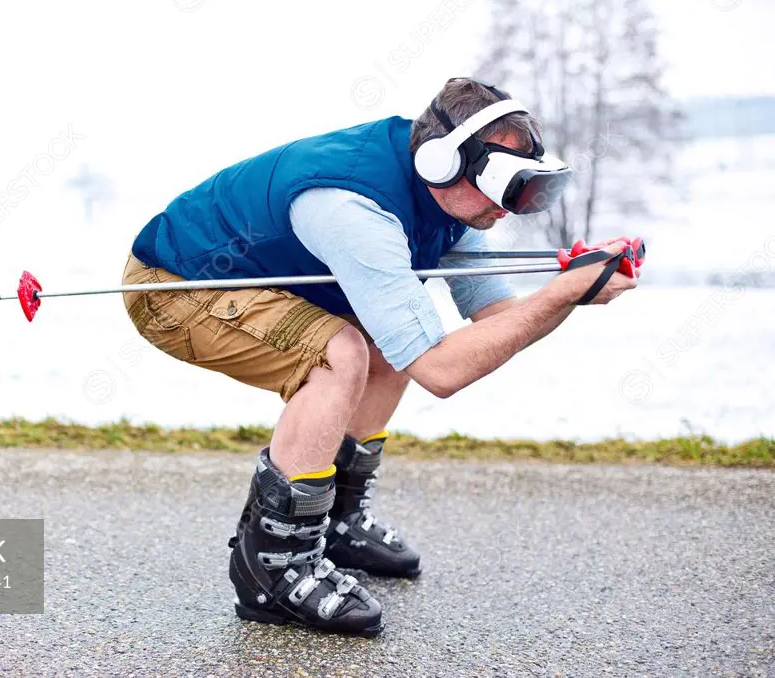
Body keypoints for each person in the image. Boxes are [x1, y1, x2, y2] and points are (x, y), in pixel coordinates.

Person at [121, 77, 638, 636]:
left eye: (527, 188)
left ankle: (335, 523)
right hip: (172, 289)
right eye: (508, 189)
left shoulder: (452, 203)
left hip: (245, 286)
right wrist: (561, 294)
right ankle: (273, 566)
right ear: (443, 163)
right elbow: (443, 372)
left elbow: (496, 320)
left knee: (387, 347)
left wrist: (573, 286)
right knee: (338, 355)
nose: (511, 209)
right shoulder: (353, 209)